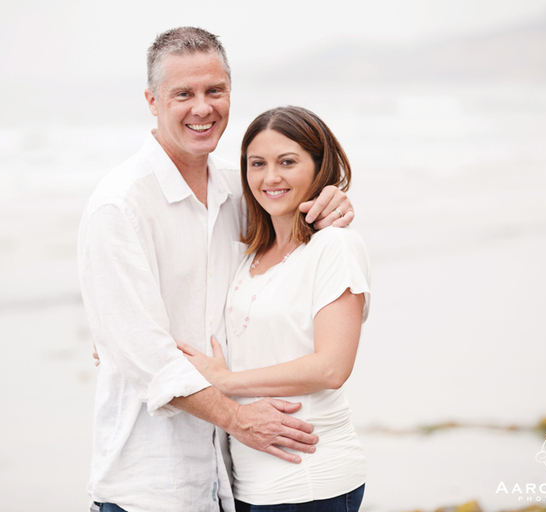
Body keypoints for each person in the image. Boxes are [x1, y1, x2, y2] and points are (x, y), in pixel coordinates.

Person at [77, 27, 354, 512]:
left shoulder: (241, 187)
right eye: (182, 93)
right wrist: (237, 418)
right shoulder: (119, 206)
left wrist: (333, 203)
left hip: (233, 481)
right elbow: (147, 356)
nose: (202, 108)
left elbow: (296, 247)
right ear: (152, 100)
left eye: (214, 91)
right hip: (150, 485)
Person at [178, 106, 369, 512]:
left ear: (319, 167)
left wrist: (225, 382)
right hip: (249, 481)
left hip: (311, 478)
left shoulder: (334, 245)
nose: (271, 178)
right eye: (257, 164)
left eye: (288, 162)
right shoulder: (253, 253)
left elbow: (332, 367)